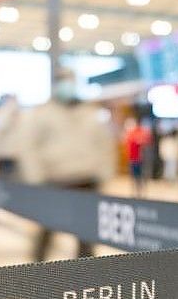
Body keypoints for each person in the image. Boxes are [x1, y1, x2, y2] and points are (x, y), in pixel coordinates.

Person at [17, 70, 115, 261]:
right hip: (55, 180)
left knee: (86, 231)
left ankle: (86, 272)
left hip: (86, 179)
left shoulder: (90, 113)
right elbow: (28, 147)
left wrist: (104, 172)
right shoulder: (42, 114)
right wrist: (36, 176)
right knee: (47, 229)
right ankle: (37, 271)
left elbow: (104, 144)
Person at [123, 117, 151, 196]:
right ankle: (135, 191)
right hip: (133, 159)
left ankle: (141, 191)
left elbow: (146, 143)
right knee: (134, 176)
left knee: (141, 176)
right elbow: (127, 145)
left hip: (140, 159)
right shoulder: (130, 134)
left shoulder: (142, 133)